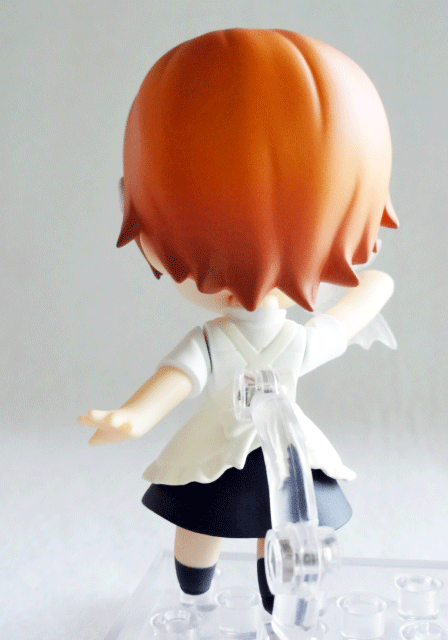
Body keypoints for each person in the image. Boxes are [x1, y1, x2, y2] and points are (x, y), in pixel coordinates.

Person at [78, 29, 398, 613]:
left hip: (286, 450)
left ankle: (276, 600)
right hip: (217, 445)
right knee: (201, 518)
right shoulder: (216, 341)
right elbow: (178, 379)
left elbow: (348, 318)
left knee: (280, 525)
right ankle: (195, 591)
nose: (248, 280)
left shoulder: (294, 341)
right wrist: (133, 416)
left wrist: (372, 281)